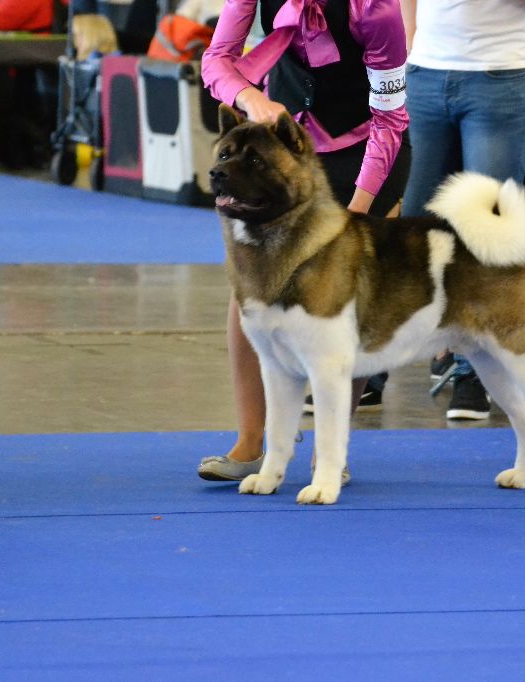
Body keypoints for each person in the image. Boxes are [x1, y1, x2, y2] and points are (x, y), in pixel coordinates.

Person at [197, 0, 409, 482]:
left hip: (365, 148)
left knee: (348, 296)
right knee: (249, 290)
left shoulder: (377, 11)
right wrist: (251, 99)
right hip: (282, 148)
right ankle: (252, 441)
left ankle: (329, 455)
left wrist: (357, 211)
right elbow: (216, 60)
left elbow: (390, 122)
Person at [399, 0, 525, 421]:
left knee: (485, 234)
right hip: (424, 71)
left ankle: (474, 371)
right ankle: (375, 365)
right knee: (411, 233)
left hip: (502, 73)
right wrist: (410, 48)